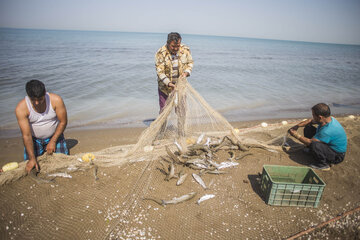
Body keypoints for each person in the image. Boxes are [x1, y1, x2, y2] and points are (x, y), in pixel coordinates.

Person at [15, 80, 69, 173]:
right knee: (31, 166)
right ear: (28, 96)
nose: (37, 103)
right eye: (33, 100)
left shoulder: (56, 100)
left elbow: (63, 122)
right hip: (34, 139)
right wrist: (32, 158)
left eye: (40, 99)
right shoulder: (21, 108)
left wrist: (53, 141)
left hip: (54, 135)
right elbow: (26, 135)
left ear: (45, 93)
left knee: (63, 163)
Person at [288, 103, 347, 171]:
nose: (312, 116)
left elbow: (310, 142)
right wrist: (297, 126)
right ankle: (312, 151)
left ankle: (323, 164)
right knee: (308, 128)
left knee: (314, 145)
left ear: (320, 117)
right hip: (329, 146)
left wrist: (295, 134)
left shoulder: (327, 131)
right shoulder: (328, 119)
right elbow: (310, 121)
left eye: (313, 115)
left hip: (337, 156)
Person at [155, 32, 194, 112]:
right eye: (173, 46)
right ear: (168, 43)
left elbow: (190, 63)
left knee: (181, 111)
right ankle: (162, 125)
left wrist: (186, 73)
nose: (176, 49)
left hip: (181, 87)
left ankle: (181, 125)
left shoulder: (185, 50)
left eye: (178, 46)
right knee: (164, 111)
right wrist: (169, 84)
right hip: (165, 88)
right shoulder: (160, 53)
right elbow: (160, 72)